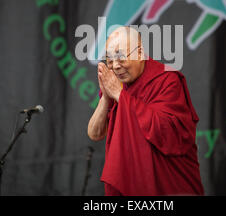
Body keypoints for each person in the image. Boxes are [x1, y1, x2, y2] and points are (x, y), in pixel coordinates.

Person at [87, 26, 204, 196]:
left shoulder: (167, 79)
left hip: (170, 188)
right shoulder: (115, 86)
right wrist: (106, 96)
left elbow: (169, 133)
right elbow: (95, 133)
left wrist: (120, 95)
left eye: (120, 57)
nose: (116, 66)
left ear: (140, 53)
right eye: (109, 60)